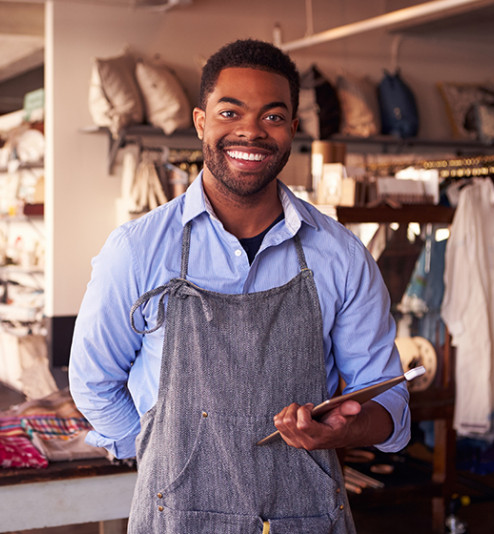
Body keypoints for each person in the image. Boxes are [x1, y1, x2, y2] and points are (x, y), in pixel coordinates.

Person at [68, 38, 410, 533]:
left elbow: (391, 407)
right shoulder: (138, 249)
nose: (250, 131)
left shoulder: (340, 256)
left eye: (272, 117)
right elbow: (94, 381)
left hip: (306, 516)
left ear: (293, 130)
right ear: (201, 121)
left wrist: (346, 429)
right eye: (230, 112)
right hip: (177, 518)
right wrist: (160, 456)